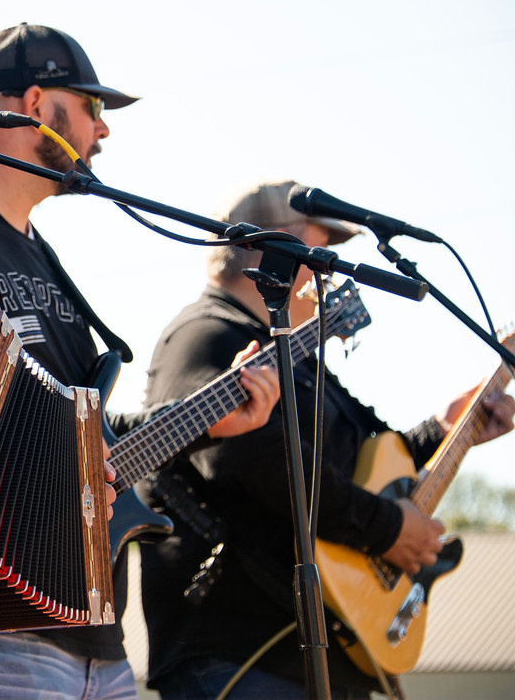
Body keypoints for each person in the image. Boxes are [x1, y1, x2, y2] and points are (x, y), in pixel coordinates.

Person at [0, 24, 280, 700]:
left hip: (92, 634)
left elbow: (87, 436)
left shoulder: (41, 256)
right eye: (91, 107)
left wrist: (209, 419)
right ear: (35, 105)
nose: (102, 131)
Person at [136, 180, 515, 700]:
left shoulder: (295, 354)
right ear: (269, 248)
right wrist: (386, 527)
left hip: (320, 648)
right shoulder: (206, 335)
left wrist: (447, 429)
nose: (327, 268)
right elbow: (253, 459)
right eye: (319, 249)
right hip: (244, 653)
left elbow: (362, 461)